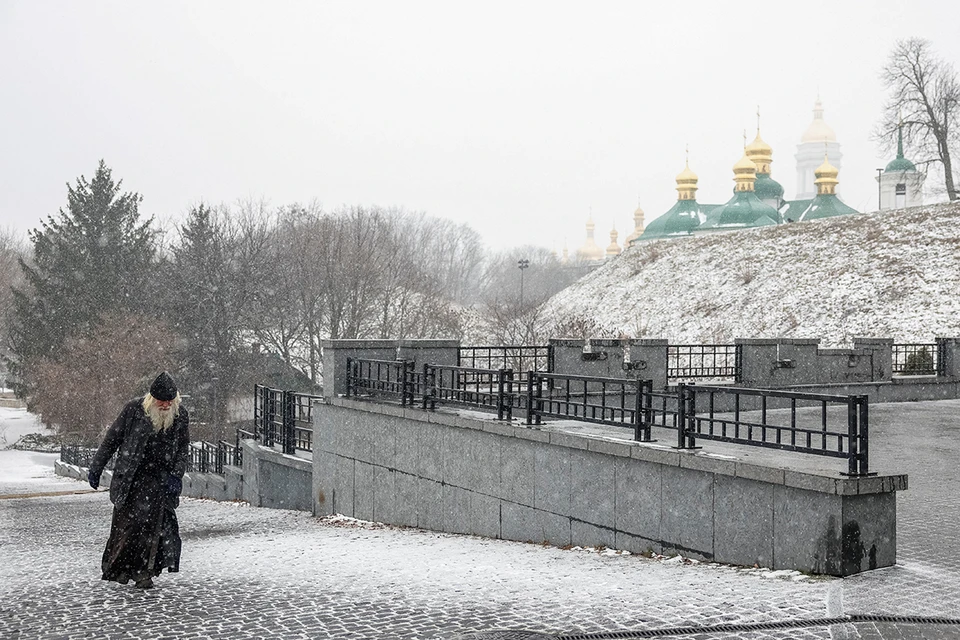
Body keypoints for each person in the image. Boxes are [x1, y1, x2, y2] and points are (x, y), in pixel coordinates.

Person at [88, 372, 190, 589]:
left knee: (155, 530)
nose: (165, 405)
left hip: (160, 482)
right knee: (129, 527)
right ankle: (122, 568)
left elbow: (182, 449)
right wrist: (97, 467)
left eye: (169, 401)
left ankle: (144, 571)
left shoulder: (181, 416)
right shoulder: (134, 410)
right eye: (161, 401)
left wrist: (176, 475)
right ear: (152, 399)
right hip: (132, 479)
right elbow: (112, 439)